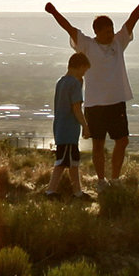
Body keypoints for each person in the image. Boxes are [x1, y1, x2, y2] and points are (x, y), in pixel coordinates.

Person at [44, 0, 139, 186]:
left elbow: (134, 18)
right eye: (106, 32)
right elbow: (68, 27)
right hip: (94, 104)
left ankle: (115, 178)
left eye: (111, 30)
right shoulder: (87, 45)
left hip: (117, 101)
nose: (110, 35)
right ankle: (101, 180)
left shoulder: (119, 42)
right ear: (97, 32)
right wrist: (53, 12)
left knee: (122, 141)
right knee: (98, 143)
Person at [50, 53, 87, 196]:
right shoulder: (74, 84)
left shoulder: (61, 82)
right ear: (80, 67)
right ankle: (51, 190)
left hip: (60, 128)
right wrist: (85, 125)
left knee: (73, 162)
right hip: (69, 130)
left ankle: (77, 192)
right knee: (62, 162)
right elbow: (76, 108)